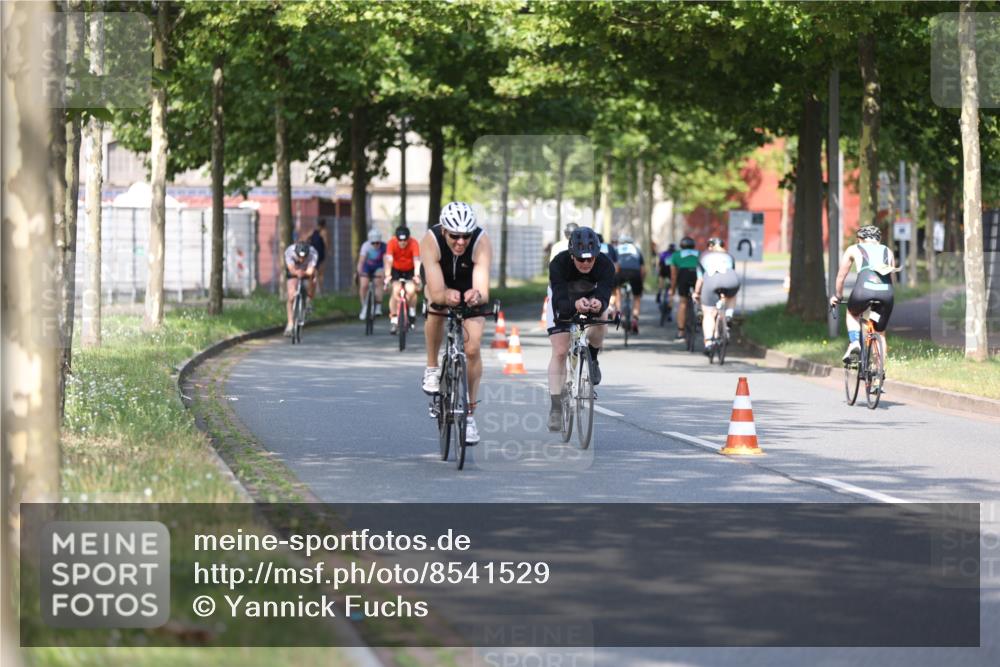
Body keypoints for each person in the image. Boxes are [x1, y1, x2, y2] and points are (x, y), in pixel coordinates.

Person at [420, 201, 493, 444]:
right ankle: (432, 368)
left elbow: (482, 289)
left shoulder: (481, 242)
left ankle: (470, 416)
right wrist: (444, 295)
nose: (461, 241)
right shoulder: (430, 240)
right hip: (440, 279)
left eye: (465, 236)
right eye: (455, 236)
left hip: (468, 282)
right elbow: (437, 290)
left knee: (472, 349)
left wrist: (476, 295)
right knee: (436, 307)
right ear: (444, 231)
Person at [545, 226, 615, 431]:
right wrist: (573, 306)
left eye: (590, 259)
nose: (586, 263)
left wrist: (598, 304)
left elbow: (604, 294)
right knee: (559, 350)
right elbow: (557, 300)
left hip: (590, 296)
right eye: (581, 259)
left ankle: (592, 357)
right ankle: (556, 407)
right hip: (563, 299)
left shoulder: (605, 265)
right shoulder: (559, 263)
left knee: (602, 317)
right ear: (572, 254)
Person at [829, 224, 897, 363]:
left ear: (860, 238)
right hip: (886, 294)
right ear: (878, 239)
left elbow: (841, 277)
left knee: (852, 313)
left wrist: (838, 296)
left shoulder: (854, 249)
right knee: (880, 333)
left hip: (863, 291)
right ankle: (880, 376)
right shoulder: (887, 251)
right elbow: (892, 279)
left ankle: (854, 343)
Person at [692, 237, 739, 353]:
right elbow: (730, 273)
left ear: (710, 247)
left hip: (711, 281)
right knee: (731, 295)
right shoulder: (729, 256)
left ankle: (708, 342)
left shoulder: (703, 257)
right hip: (731, 280)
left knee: (708, 313)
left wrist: (697, 293)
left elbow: (701, 280)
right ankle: (728, 315)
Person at [383, 225, 422, 334]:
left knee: (411, 290)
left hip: (410, 269)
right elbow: (389, 260)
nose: (403, 243)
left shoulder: (414, 243)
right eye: (400, 240)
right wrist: (387, 275)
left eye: (405, 240)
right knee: (395, 290)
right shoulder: (391, 243)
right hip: (396, 269)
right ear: (396, 238)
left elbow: (416, 260)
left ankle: (412, 311)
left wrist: (417, 275)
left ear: (409, 238)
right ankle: (394, 319)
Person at [283, 241, 318, 336]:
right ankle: (290, 323)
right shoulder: (289, 252)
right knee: (291, 295)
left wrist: (306, 273)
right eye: (300, 257)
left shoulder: (313, 253)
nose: (302, 259)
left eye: (304, 257)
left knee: (313, 279)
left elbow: (310, 270)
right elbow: (291, 269)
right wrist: (297, 272)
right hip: (294, 270)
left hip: (307, 270)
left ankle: (309, 300)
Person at [614, 234, 646, 333]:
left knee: (617, 290)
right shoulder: (636, 249)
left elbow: (614, 265)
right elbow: (643, 269)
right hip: (635, 272)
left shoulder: (617, 249)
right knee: (637, 297)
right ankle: (635, 319)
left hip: (621, 271)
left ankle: (620, 314)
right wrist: (642, 282)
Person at [669, 236, 700, 340]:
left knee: (683, 302)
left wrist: (672, 289)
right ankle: (699, 315)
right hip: (697, 275)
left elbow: (673, 275)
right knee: (699, 297)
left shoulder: (676, 255)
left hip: (683, 275)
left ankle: (681, 332)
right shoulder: (699, 254)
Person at [357, 228, 386, 320]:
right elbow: (361, 261)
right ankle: (364, 307)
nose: (376, 245)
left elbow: (386, 262)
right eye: (373, 243)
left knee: (378, 282)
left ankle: (378, 306)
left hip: (379, 266)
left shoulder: (385, 247)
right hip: (368, 266)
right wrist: (359, 272)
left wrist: (386, 274)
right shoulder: (365, 246)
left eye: (377, 243)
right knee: (363, 285)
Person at [656, 242, 677, 321]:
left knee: (661, 277)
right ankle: (669, 310)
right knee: (672, 291)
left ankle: (659, 291)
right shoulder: (676, 254)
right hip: (672, 272)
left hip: (664, 270)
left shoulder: (664, 253)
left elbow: (660, 263)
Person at [312, 220, 332, 295]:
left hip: (313, 254)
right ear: (324, 225)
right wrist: (329, 250)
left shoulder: (313, 232)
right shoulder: (324, 232)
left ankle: (317, 289)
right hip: (320, 254)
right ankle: (320, 290)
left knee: (315, 273)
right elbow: (326, 242)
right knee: (321, 273)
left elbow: (306, 238)